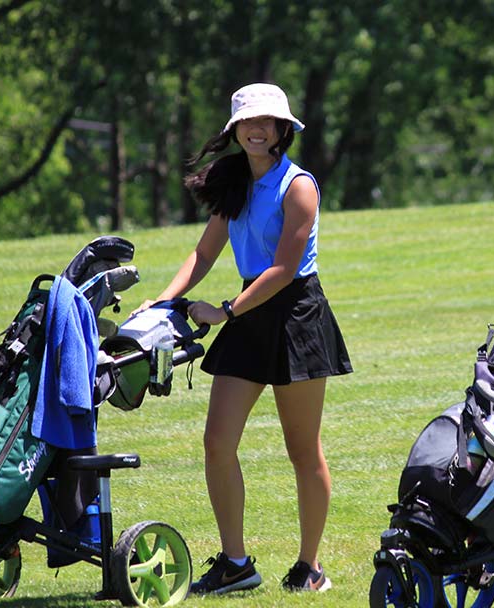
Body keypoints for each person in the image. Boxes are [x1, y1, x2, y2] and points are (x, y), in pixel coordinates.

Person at [134, 82, 352, 594]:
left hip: (296, 316)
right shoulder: (233, 183)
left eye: (266, 122)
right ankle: (236, 564)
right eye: (247, 123)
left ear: (281, 130)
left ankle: (309, 567)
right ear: (235, 131)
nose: (256, 129)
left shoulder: (299, 186)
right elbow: (203, 254)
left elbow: (283, 268)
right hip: (249, 315)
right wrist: (164, 300)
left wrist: (225, 310)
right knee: (217, 442)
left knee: (303, 450)